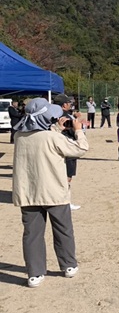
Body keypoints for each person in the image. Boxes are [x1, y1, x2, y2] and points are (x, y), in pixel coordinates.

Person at [12, 98, 89, 287]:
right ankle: (68, 265)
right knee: (63, 230)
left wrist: (56, 129)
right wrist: (78, 130)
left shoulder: (19, 136)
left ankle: (34, 273)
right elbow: (81, 149)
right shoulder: (52, 138)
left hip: (29, 193)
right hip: (54, 191)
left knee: (32, 234)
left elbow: (40, 141)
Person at [53, 94, 81, 210]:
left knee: (64, 176)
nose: (70, 104)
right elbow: (71, 130)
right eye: (69, 103)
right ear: (64, 105)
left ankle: (64, 200)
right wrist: (77, 125)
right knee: (67, 177)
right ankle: (65, 201)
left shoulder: (55, 114)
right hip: (68, 147)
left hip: (61, 147)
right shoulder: (63, 116)